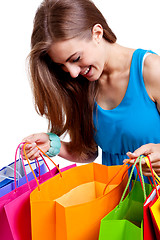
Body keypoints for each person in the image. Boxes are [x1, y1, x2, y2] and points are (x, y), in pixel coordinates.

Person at [23, 0, 160, 181]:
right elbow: (89, 151)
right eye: (62, 65)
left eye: (76, 58)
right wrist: (53, 145)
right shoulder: (81, 85)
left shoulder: (150, 70)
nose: (72, 73)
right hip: (117, 199)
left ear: (97, 33)